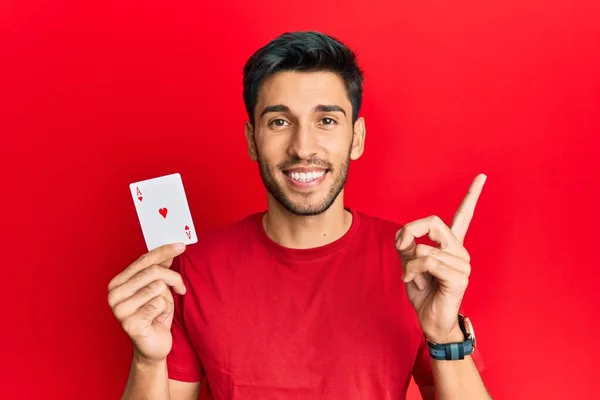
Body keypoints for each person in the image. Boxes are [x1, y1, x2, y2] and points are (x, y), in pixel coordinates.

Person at [108, 31, 491, 400]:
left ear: (356, 138)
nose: (303, 147)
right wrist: (147, 361)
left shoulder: (412, 265)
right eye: (279, 121)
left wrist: (445, 334)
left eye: (326, 120)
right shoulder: (190, 270)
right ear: (251, 140)